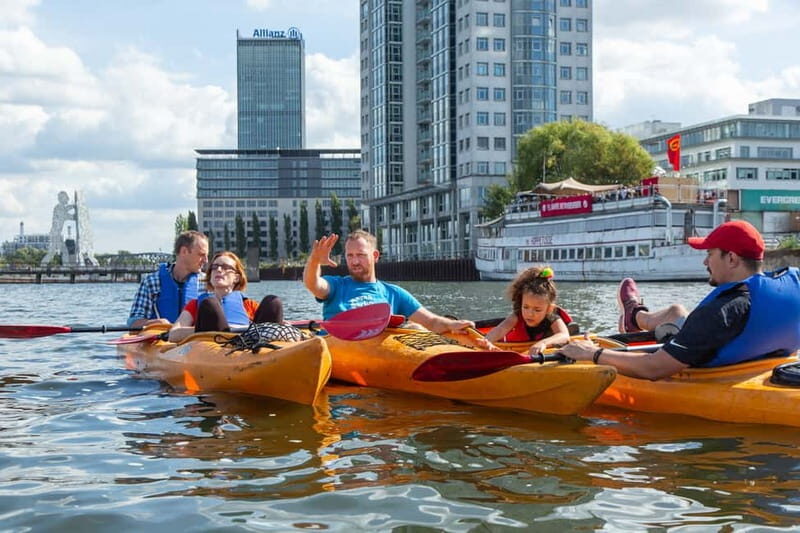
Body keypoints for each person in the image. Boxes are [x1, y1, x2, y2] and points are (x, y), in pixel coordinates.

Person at [561, 220, 800, 380]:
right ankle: (635, 316)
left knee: (678, 316)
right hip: (757, 358)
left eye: (709, 254)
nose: (705, 262)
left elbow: (653, 368)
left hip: (712, 365)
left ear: (731, 259)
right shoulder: (794, 284)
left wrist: (593, 354)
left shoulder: (721, 312)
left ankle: (634, 316)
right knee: (677, 313)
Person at [303, 230, 478, 335]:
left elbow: (431, 322)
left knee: (416, 328)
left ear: (375, 256)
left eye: (361, 255)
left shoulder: (394, 293)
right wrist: (314, 261)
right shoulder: (336, 285)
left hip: (378, 350)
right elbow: (313, 284)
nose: (355, 261)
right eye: (350, 256)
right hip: (337, 345)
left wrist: (452, 325)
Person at [168, 251, 284, 342]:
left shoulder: (249, 305)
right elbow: (173, 334)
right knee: (210, 304)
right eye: (215, 267)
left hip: (246, 348)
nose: (219, 270)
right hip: (211, 349)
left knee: (273, 302)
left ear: (236, 278)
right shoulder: (195, 305)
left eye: (225, 267)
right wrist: (202, 330)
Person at [127, 231, 209, 328]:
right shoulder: (151, 282)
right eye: (201, 255)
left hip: (193, 336)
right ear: (184, 251)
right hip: (160, 336)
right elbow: (134, 321)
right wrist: (154, 324)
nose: (206, 260)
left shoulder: (207, 283)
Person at [485, 266, 571, 355]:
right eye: (525, 307)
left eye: (537, 310)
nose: (530, 314)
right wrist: (487, 341)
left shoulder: (552, 318)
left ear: (549, 309)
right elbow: (501, 329)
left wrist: (543, 343)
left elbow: (564, 335)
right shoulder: (517, 315)